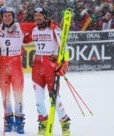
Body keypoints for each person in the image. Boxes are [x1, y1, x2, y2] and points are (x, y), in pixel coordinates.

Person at [30, 7, 71, 136]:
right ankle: (43, 123)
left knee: (54, 98)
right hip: (37, 67)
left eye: (40, 15)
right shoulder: (34, 30)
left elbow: (64, 48)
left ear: (45, 16)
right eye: (35, 16)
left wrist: (63, 65)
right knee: (39, 100)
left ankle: (65, 123)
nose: (37, 18)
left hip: (50, 67)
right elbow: (24, 38)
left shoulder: (54, 30)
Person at [0, 6, 29, 134]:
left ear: (13, 17)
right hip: (3, 64)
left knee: (18, 95)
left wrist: (52, 25)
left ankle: (19, 122)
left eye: (10, 15)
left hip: (16, 65)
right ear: (2, 18)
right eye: (5, 16)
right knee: (5, 96)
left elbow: (36, 28)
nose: (7, 18)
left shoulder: (20, 27)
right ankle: (8, 121)